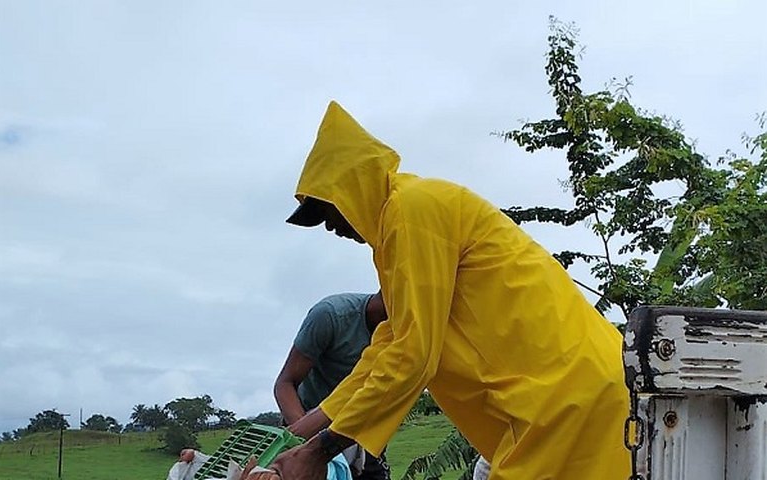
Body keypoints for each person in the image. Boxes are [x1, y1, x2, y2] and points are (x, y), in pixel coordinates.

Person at [257, 101, 631, 480]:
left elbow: (412, 356)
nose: (328, 226)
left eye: (327, 210)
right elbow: (385, 350)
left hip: (565, 399)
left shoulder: (412, 210)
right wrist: (303, 438)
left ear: (352, 189)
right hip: (554, 402)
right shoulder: (396, 236)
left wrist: (321, 451)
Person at [273, 292, 390, 480]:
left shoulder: (407, 336)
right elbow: (285, 384)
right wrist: (305, 446)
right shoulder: (331, 316)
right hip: (304, 425)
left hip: (357, 436)